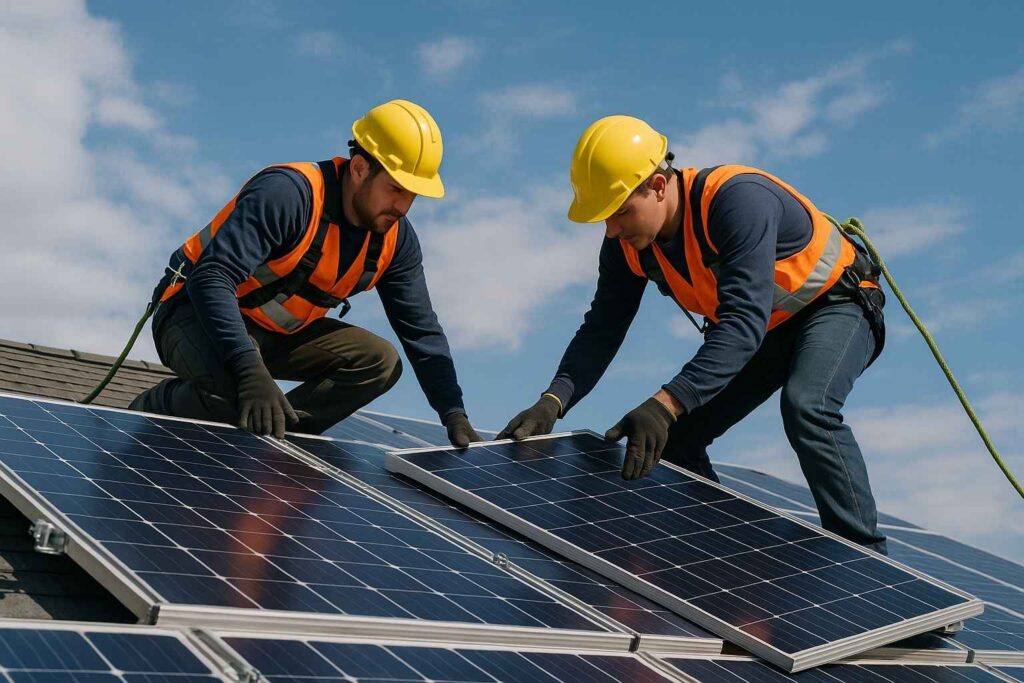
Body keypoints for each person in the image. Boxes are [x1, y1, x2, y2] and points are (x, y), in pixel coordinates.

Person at [499, 115, 888, 552]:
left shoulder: (737, 201)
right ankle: (734, 560)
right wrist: (554, 399)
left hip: (834, 307)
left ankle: (865, 561)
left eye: (621, 211)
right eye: (604, 218)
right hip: (762, 332)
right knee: (676, 440)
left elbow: (742, 323)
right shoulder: (627, 245)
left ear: (659, 186)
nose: (611, 229)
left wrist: (664, 403)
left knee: (807, 405)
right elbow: (602, 328)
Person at [130, 100, 480, 447]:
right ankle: (155, 407)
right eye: (396, 189)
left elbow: (421, 330)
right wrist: (249, 371)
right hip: (192, 312)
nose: (403, 207)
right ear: (359, 168)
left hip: (277, 335)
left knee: (380, 362)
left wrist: (453, 412)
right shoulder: (288, 194)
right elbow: (211, 279)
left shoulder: (395, 240)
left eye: (413, 195)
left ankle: (280, 434)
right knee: (238, 395)